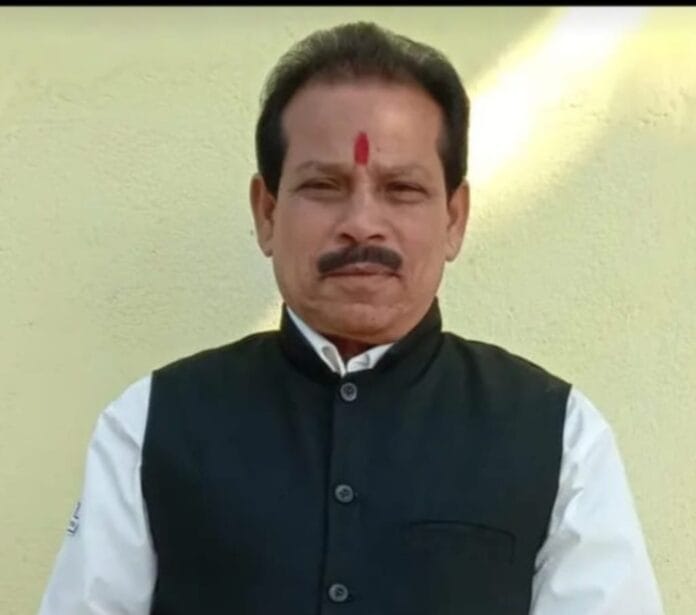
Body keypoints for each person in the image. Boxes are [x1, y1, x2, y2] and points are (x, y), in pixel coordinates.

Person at [38, 21, 664, 615]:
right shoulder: (151, 425)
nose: (362, 224)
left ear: (453, 218)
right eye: (324, 186)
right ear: (266, 212)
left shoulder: (559, 436)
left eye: (401, 189)